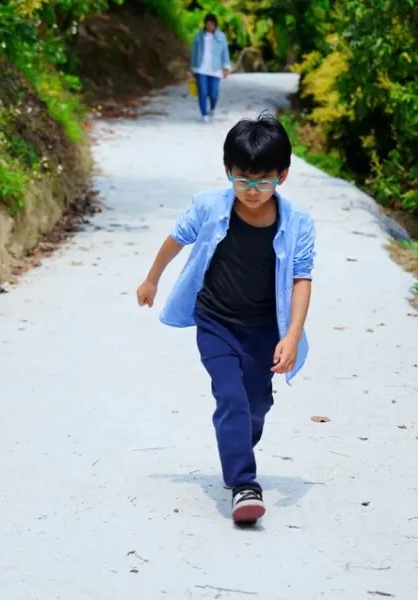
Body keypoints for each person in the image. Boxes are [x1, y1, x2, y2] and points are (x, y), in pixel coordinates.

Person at [135, 113, 316, 524]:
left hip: (265, 329)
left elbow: (301, 279)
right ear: (227, 171)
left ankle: (237, 443)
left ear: (282, 176)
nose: (252, 190)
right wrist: (151, 279)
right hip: (215, 322)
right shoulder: (209, 207)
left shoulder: (298, 224)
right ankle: (244, 485)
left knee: (256, 405)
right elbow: (175, 239)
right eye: (242, 179)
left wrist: (292, 335)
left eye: (263, 181)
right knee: (231, 397)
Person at [190, 13, 232, 122]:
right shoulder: (198, 36)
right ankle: (204, 113)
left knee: (213, 93)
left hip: (215, 69)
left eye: (212, 24)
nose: (210, 26)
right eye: (208, 24)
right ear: (205, 24)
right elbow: (194, 52)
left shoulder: (221, 37)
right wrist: (192, 67)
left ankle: (212, 108)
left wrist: (226, 67)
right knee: (202, 91)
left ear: (215, 25)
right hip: (201, 68)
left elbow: (225, 52)